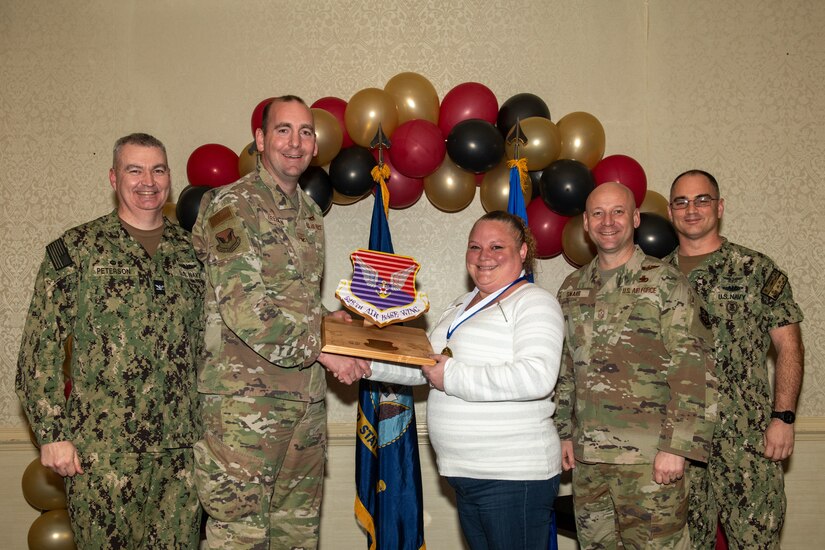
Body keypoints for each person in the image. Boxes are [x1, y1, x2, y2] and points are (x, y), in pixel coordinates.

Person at [191, 95, 369, 549]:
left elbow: (295, 301)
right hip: (244, 408)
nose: (295, 142)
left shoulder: (309, 213)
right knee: (241, 537)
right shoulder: (231, 206)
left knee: (297, 533)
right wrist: (325, 348)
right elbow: (245, 307)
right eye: (283, 130)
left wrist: (339, 329)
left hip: (303, 403)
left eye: (305, 132)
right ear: (260, 140)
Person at [16, 133, 204, 548]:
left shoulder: (193, 253)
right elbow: (39, 351)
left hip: (181, 455)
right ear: (114, 178)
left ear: (169, 177)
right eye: (134, 170)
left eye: (157, 169)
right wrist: (51, 433)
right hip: (102, 455)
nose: (147, 181)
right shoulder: (77, 250)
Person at [368, 210, 565, 550]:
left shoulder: (534, 302)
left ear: (522, 252)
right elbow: (426, 366)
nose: (483, 256)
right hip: (467, 475)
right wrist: (366, 365)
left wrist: (451, 375)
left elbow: (537, 376)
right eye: (475, 247)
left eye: (496, 247)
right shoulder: (460, 305)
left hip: (512, 477)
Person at [554, 181, 717, 549]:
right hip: (589, 461)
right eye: (597, 212)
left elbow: (694, 368)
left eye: (617, 211)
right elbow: (565, 367)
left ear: (636, 218)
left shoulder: (666, 282)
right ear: (585, 222)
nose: (607, 221)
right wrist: (563, 432)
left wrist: (677, 447)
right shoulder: (572, 287)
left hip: (650, 462)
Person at [665, 170, 804, 549]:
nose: (691, 209)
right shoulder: (656, 276)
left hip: (748, 441)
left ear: (720, 207)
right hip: (679, 444)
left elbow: (789, 347)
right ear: (671, 211)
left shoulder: (755, 269)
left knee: (755, 543)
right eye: (682, 201)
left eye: (702, 200)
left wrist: (784, 418)